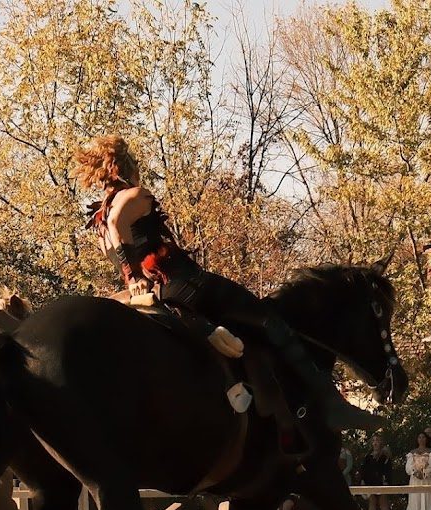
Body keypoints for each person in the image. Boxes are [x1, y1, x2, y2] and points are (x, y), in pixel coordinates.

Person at [72, 135, 378, 433]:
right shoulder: (134, 196)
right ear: (125, 166)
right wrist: (133, 276)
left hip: (160, 294)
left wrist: (136, 281)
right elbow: (120, 225)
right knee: (270, 320)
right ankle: (330, 403)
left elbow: (115, 236)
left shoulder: (99, 220)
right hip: (186, 282)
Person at [358, 433, 392, 510]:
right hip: (370, 481)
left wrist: (386, 480)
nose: (375, 442)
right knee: (372, 500)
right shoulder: (368, 456)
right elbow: (363, 469)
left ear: (381, 442)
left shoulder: (385, 455)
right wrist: (362, 480)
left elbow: (387, 469)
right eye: (373, 440)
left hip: (381, 481)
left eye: (377, 440)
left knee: (383, 500)